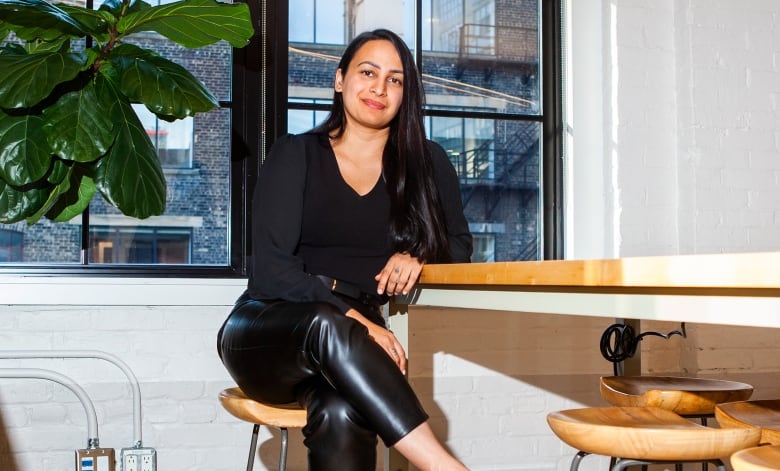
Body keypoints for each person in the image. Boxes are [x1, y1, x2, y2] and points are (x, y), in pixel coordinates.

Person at [217, 28, 472, 471]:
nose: (379, 87)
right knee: (324, 321)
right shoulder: (295, 154)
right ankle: (444, 466)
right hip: (270, 331)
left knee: (342, 412)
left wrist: (419, 254)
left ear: (406, 94)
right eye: (368, 72)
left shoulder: (427, 164)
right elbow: (272, 272)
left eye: (395, 80)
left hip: (351, 348)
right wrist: (356, 320)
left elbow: (461, 246)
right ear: (340, 80)